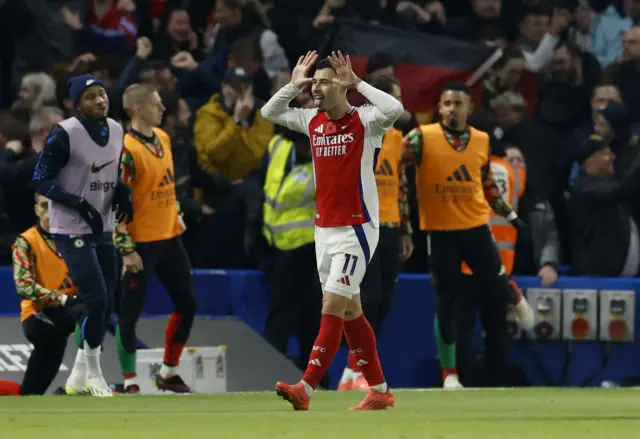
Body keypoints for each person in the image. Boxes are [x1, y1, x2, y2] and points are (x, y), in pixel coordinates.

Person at [261, 50, 404, 411]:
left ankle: (305, 389)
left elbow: (395, 110)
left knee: (332, 306)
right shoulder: (312, 121)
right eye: (315, 82)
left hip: (357, 228)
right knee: (352, 312)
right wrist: (293, 86)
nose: (317, 89)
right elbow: (269, 113)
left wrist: (359, 84)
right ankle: (380, 390)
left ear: (341, 85)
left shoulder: (367, 121)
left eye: (323, 81)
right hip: (324, 231)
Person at [402, 83, 527, 389]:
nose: (451, 109)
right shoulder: (422, 137)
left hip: (474, 226)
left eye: (458, 103)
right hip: (440, 231)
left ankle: (515, 295)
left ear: (469, 109)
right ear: (439, 108)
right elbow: (393, 162)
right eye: (446, 103)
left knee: (496, 289)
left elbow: (486, 184)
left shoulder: (482, 141)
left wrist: (510, 215)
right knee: (448, 302)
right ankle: (450, 375)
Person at [31, 74, 133, 397]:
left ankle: (77, 376)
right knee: (97, 298)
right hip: (70, 227)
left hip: (103, 224)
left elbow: (110, 171)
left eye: (102, 94)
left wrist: (122, 190)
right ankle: (95, 373)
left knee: (107, 300)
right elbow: (41, 179)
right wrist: (77, 204)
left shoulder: (117, 129)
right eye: (90, 97)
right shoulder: (66, 134)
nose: (100, 101)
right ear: (77, 104)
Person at [115, 84, 197, 394]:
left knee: (187, 303)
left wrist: (175, 212)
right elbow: (115, 201)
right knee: (129, 313)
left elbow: (168, 185)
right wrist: (125, 249)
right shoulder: (126, 150)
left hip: (169, 236)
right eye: (157, 104)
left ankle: (169, 372)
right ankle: (130, 381)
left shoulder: (163, 139)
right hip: (141, 243)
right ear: (137, 109)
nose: (163, 109)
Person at [338, 75, 414, 392]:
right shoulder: (355, 129)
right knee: (368, 297)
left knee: (383, 302)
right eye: (392, 98)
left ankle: (350, 371)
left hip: (391, 225)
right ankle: (357, 369)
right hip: (361, 223)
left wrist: (406, 229)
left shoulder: (399, 139)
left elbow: (401, 186)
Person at [455, 151, 535, 387]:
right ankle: (497, 382)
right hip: (502, 263)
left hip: (467, 263)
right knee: (497, 329)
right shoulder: (516, 174)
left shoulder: (467, 168)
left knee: (462, 328)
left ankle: (463, 381)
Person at [0, 194, 88, 396]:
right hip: (39, 315)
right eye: (44, 205)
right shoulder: (26, 242)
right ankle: (80, 381)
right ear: (36, 210)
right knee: (87, 314)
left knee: (33, 390)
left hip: (69, 310)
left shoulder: (75, 238)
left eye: (55, 206)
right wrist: (64, 299)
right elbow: (24, 287)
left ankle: (72, 386)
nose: (50, 211)